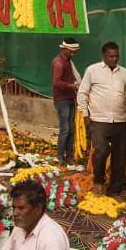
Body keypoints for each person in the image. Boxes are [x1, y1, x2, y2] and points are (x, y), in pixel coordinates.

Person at [78, 41, 126, 196]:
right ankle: (98, 181)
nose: (114, 59)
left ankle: (115, 188)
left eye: (116, 56)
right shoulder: (92, 70)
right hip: (99, 120)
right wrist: (85, 114)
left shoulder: (124, 72)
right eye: (111, 56)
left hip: (120, 120)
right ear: (104, 56)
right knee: (101, 151)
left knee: (119, 155)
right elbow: (82, 93)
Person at [51, 38, 80, 166]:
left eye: (75, 51)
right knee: (65, 129)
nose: (73, 54)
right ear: (64, 49)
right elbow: (56, 83)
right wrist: (71, 86)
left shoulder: (68, 61)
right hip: (62, 100)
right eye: (71, 51)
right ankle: (60, 156)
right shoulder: (59, 63)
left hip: (70, 98)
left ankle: (69, 156)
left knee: (71, 129)